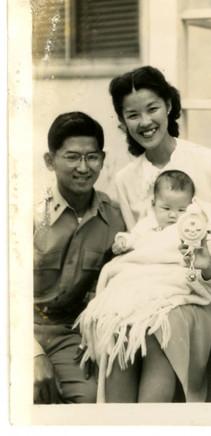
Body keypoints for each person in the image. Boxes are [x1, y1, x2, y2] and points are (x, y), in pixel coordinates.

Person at [106, 65, 211, 402]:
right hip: (147, 285)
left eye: (152, 108)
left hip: (203, 290)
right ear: (123, 122)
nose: (145, 122)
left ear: (168, 105)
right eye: (132, 114)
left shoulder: (207, 162)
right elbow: (135, 246)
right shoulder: (124, 179)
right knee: (118, 324)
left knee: (156, 327)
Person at [75, 169, 211, 402]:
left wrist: (208, 254)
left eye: (181, 210)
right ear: (154, 204)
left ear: (193, 207)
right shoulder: (146, 225)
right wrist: (122, 242)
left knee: (157, 334)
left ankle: (151, 416)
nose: (174, 216)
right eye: (166, 209)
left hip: (169, 284)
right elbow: (133, 241)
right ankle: (120, 417)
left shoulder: (193, 230)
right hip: (139, 279)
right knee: (120, 328)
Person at [33, 112, 125, 404]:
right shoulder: (26, 214)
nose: (83, 168)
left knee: (88, 400)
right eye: (72, 157)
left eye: (92, 157)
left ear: (102, 158)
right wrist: (32, 353)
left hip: (71, 336)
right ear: (50, 161)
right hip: (17, 331)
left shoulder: (114, 219)